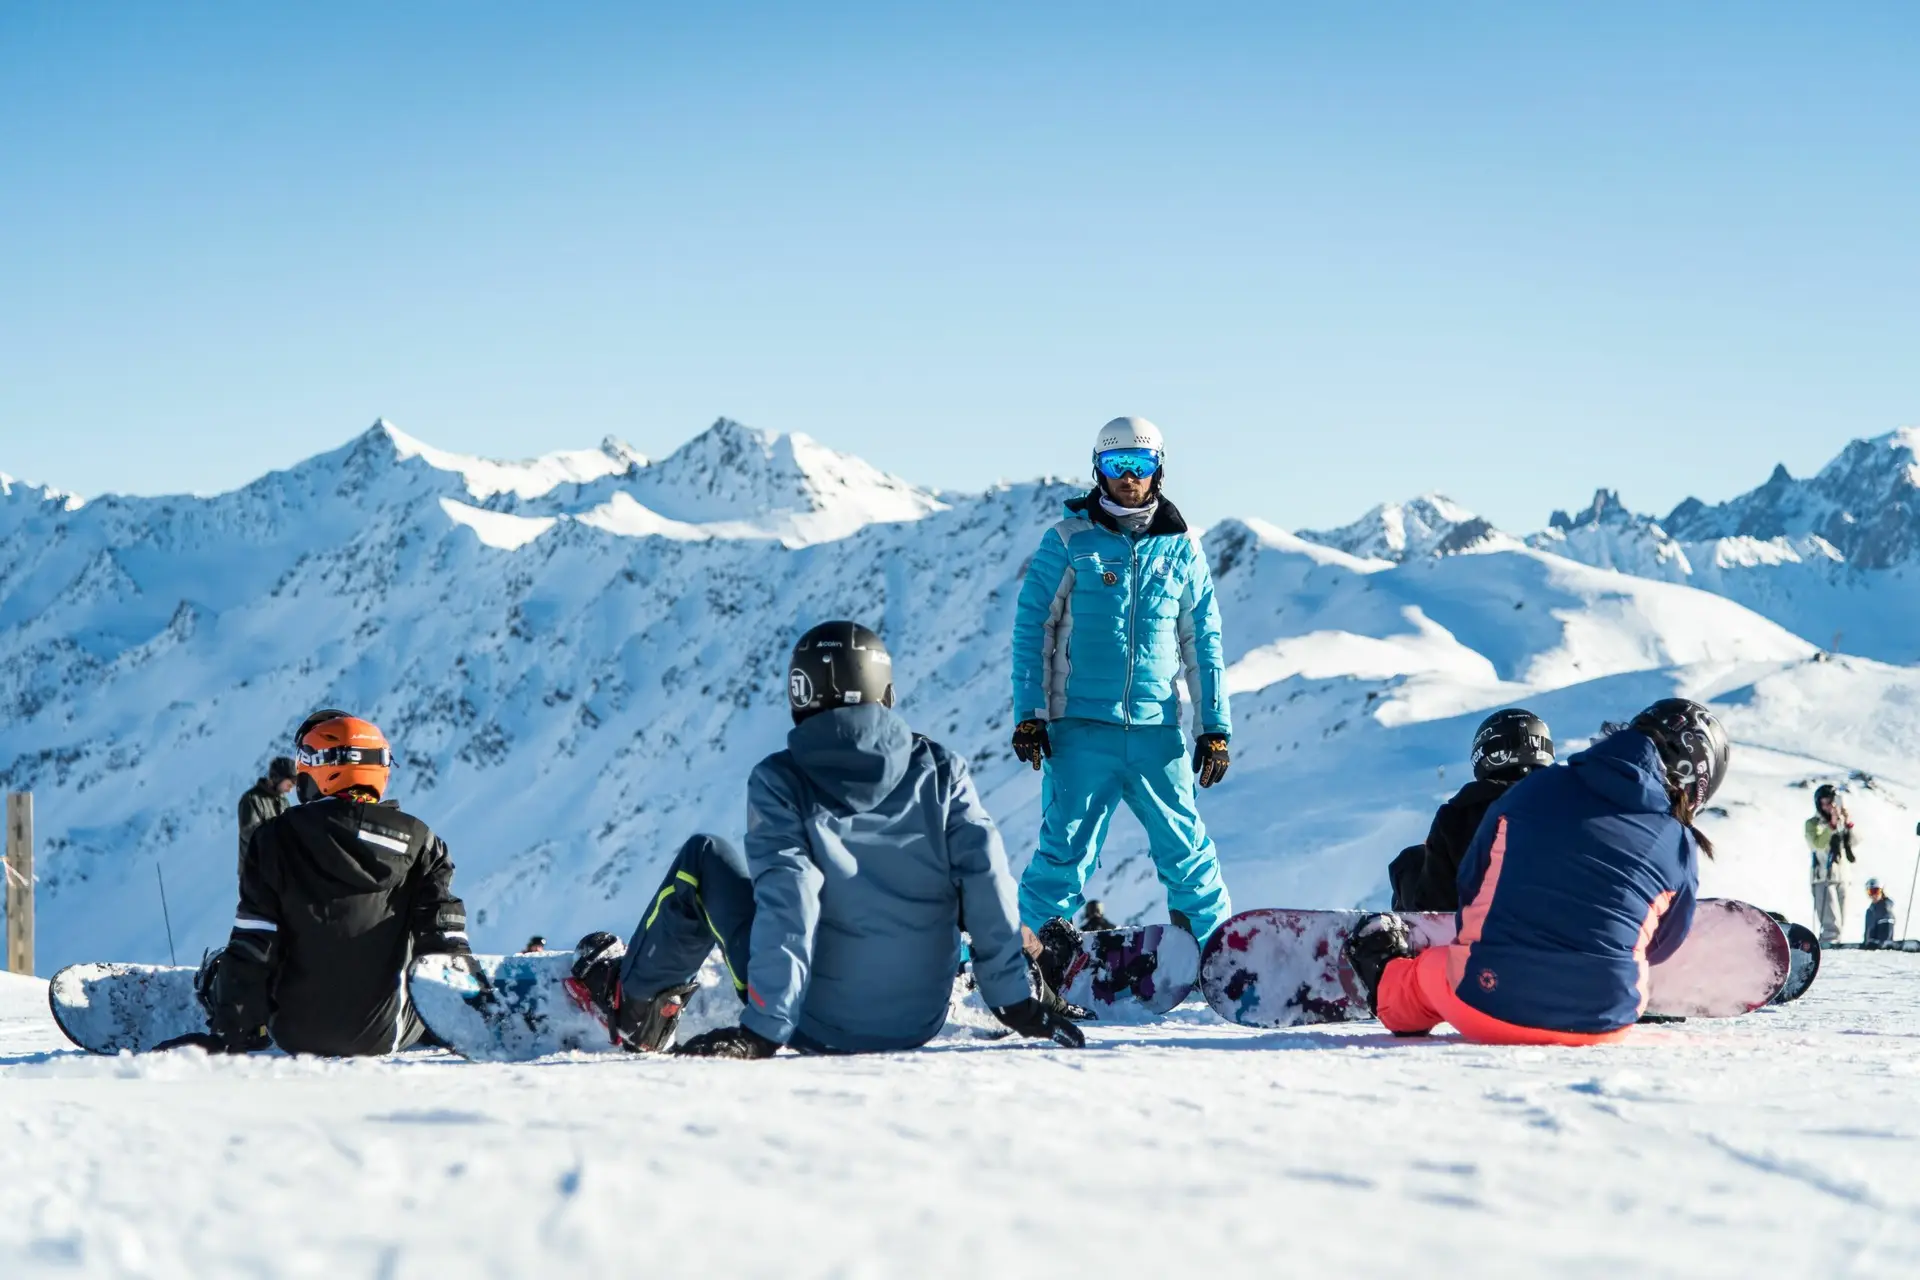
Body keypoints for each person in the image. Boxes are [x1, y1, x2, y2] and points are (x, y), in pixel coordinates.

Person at [568, 621, 1083, 1057]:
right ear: (886, 693)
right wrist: (1016, 1005)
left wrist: (763, 1034)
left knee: (704, 858)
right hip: (920, 1020)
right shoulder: (942, 770)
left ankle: (633, 1009)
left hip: (813, 1024)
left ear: (799, 695)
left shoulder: (780, 780)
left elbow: (790, 901)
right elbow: (987, 882)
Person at [1344, 698, 1729, 1046]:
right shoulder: (1679, 841)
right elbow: (1661, 945)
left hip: (1489, 1005)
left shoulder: (1538, 789)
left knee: (1427, 974)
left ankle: (1387, 981)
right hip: (1606, 1020)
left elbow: (1473, 883)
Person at [1010, 416, 1233, 948]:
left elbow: (1203, 642)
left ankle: (1220, 957)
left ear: (1158, 470)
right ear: (1098, 469)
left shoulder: (1181, 548)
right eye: (1116, 465)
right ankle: (1021, 963)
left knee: (1187, 852)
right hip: (1081, 729)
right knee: (1063, 856)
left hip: (1157, 731)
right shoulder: (1068, 541)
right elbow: (1031, 629)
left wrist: (1214, 728)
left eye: (1139, 465)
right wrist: (1029, 715)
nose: (1127, 477)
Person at [198, 710, 471, 1055]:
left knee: (219, 967)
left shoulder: (274, 838)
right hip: (386, 1037)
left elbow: (254, 942)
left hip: (294, 1034)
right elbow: (445, 940)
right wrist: (466, 1019)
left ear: (320, 767)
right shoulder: (421, 841)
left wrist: (232, 1029)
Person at [1389, 709, 1554, 912]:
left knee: (1410, 862)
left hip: (1481, 933)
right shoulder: (1575, 806)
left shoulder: (1459, 815)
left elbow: (1436, 901)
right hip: (1573, 929)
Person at [1807, 784, 1857, 946]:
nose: (1828, 807)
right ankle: (1827, 950)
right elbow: (1818, 844)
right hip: (1823, 877)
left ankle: (1833, 949)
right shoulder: (1813, 824)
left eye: (1831, 802)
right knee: (1831, 925)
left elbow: (1855, 842)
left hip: (1842, 876)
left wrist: (1847, 824)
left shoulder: (1841, 823)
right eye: (1825, 803)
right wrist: (1831, 827)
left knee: (1840, 922)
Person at [236, 755, 298, 877]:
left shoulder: (283, 801)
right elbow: (250, 832)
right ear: (277, 778)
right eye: (289, 785)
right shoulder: (251, 800)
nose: (290, 791)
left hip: (277, 871)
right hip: (255, 874)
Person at [1864, 879, 1895, 946]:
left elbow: (1886, 937)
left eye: (1876, 891)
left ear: (1881, 891)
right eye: (1871, 892)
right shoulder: (1870, 911)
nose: (1874, 895)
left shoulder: (1885, 909)